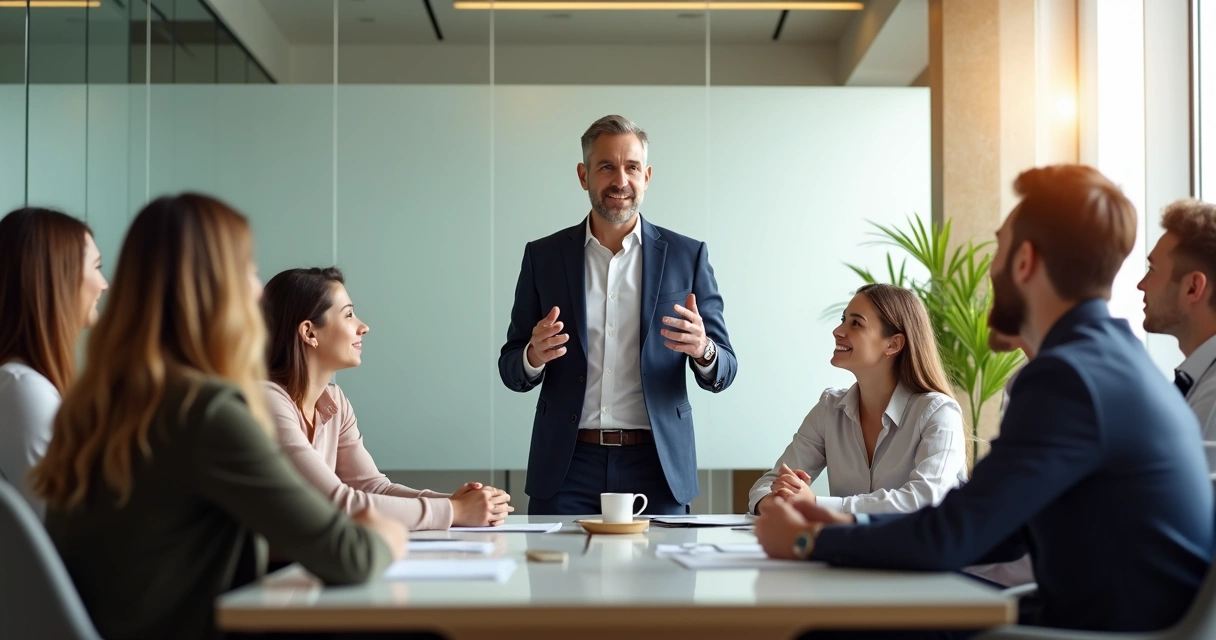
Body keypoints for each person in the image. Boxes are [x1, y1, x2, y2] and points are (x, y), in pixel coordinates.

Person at [755, 165, 1213, 637]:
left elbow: (955, 533)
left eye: (999, 247)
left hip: (1098, 634)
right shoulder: (1110, 363)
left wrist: (811, 539)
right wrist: (837, 525)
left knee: (826, 632)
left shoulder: (1068, 378)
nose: (992, 268)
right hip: (1101, 624)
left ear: (1024, 261)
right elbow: (995, 529)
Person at [29, 194, 404, 640]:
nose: (258, 290)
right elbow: (352, 557)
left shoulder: (97, 404)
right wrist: (386, 533)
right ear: (213, 288)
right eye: (248, 270)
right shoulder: (204, 412)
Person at [499, 115, 738, 516]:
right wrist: (533, 356)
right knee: (555, 577)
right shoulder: (543, 257)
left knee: (666, 580)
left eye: (631, 168)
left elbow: (725, 369)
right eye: (606, 166)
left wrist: (704, 350)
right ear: (583, 175)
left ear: (646, 176)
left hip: (658, 465)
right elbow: (511, 368)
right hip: (567, 466)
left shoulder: (687, 256)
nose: (620, 180)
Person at [262, 266, 513, 530]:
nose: (364, 326)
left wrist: (459, 503)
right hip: (269, 569)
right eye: (348, 315)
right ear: (309, 332)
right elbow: (338, 503)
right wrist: (455, 510)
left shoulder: (334, 402)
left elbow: (372, 487)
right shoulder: (268, 401)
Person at [748, 284, 966, 516]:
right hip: (849, 550)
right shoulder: (829, 409)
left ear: (893, 344)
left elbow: (926, 498)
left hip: (921, 551)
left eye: (856, 323)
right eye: (843, 319)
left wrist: (815, 505)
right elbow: (767, 485)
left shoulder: (938, 412)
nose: (838, 331)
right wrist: (778, 500)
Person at [0, 207, 107, 517]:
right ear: (58, 276)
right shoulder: (21, 389)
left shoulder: (22, 385)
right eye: (97, 267)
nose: (104, 284)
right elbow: (66, 522)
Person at [1138, 198, 1216, 441]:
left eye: (1152, 270)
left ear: (1193, 288)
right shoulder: (1199, 383)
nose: (1141, 284)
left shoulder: (1212, 401)